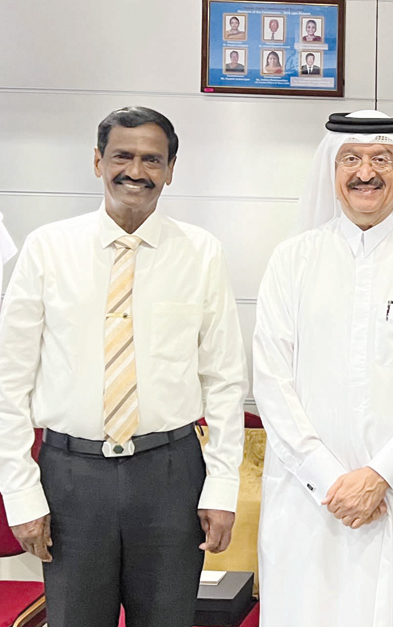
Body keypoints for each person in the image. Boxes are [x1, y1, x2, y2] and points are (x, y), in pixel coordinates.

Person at [0, 106, 248, 627]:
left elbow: (224, 380)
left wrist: (222, 489)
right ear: (97, 161)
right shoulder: (48, 249)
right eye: (123, 156)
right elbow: (9, 382)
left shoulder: (201, 253)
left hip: (170, 475)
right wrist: (20, 493)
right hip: (71, 478)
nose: (136, 170)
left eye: (152, 159)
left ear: (171, 169)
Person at [254, 110, 393, 626]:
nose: (365, 172)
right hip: (308, 500)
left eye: (381, 159)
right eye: (350, 159)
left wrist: (380, 473)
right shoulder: (292, 259)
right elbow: (271, 381)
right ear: (332, 170)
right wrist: (330, 480)